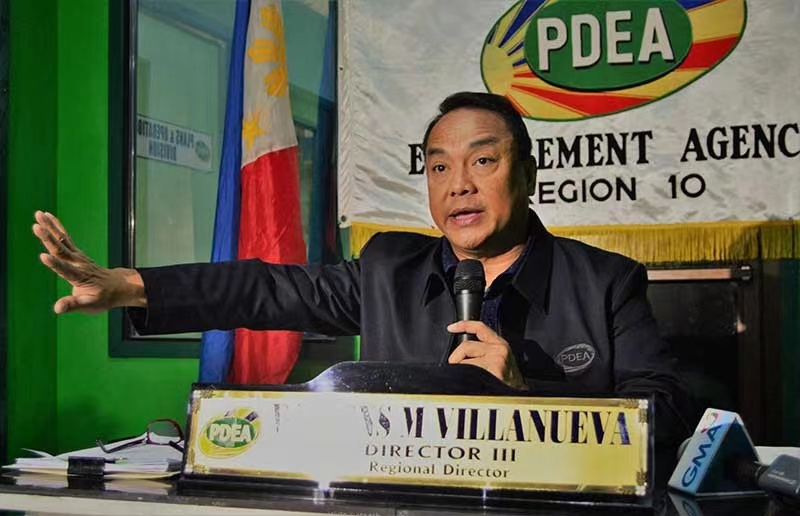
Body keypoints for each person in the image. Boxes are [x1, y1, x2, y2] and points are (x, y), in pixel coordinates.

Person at [33, 91, 693, 444]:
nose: (458, 184)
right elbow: (267, 288)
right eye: (439, 166)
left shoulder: (606, 282)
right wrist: (130, 285)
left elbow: (664, 416)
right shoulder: (388, 269)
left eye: (483, 161)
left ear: (526, 175)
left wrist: (530, 395)